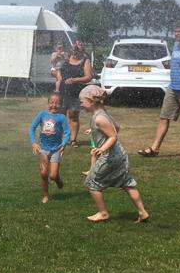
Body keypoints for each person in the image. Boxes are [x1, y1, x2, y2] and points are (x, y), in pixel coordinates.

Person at [79, 85, 150, 223]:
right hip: (119, 155)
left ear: (91, 101)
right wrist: (95, 130)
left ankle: (103, 213)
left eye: (82, 101)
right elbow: (116, 127)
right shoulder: (103, 113)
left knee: (91, 183)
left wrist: (101, 149)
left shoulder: (99, 118)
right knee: (127, 183)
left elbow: (113, 136)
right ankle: (143, 212)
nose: (80, 104)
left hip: (110, 157)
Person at [140, 23, 180, 157]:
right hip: (173, 88)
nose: (177, 34)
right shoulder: (176, 45)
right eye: (175, 31)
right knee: (164, 117)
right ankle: (154, 149)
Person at [29, 92, 70, 203]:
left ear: (61, 105)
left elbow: (67, 132)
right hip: (43, 149)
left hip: (56, 149)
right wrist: (33, 143)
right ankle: (46, 195)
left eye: (57, 103)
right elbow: (31, 128)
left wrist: (64, 144)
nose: (54, 105)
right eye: (52, 102)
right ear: (48, 103)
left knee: (52, 175)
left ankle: (58, 180)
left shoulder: (62, 117)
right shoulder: (42, 114)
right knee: (43, 173)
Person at [55, 44, 93, 146]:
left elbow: (89, 77)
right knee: (60, 116)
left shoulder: (85, 60)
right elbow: (57, 69)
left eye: (78, 47)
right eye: (74, 47)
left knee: (73, 116)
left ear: (82, 50)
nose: (76, 49)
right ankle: (58, 138)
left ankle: (73, 140)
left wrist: (75, 79)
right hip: (62, 91)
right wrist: (58, 76)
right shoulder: (67, 57)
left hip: (75, 92)